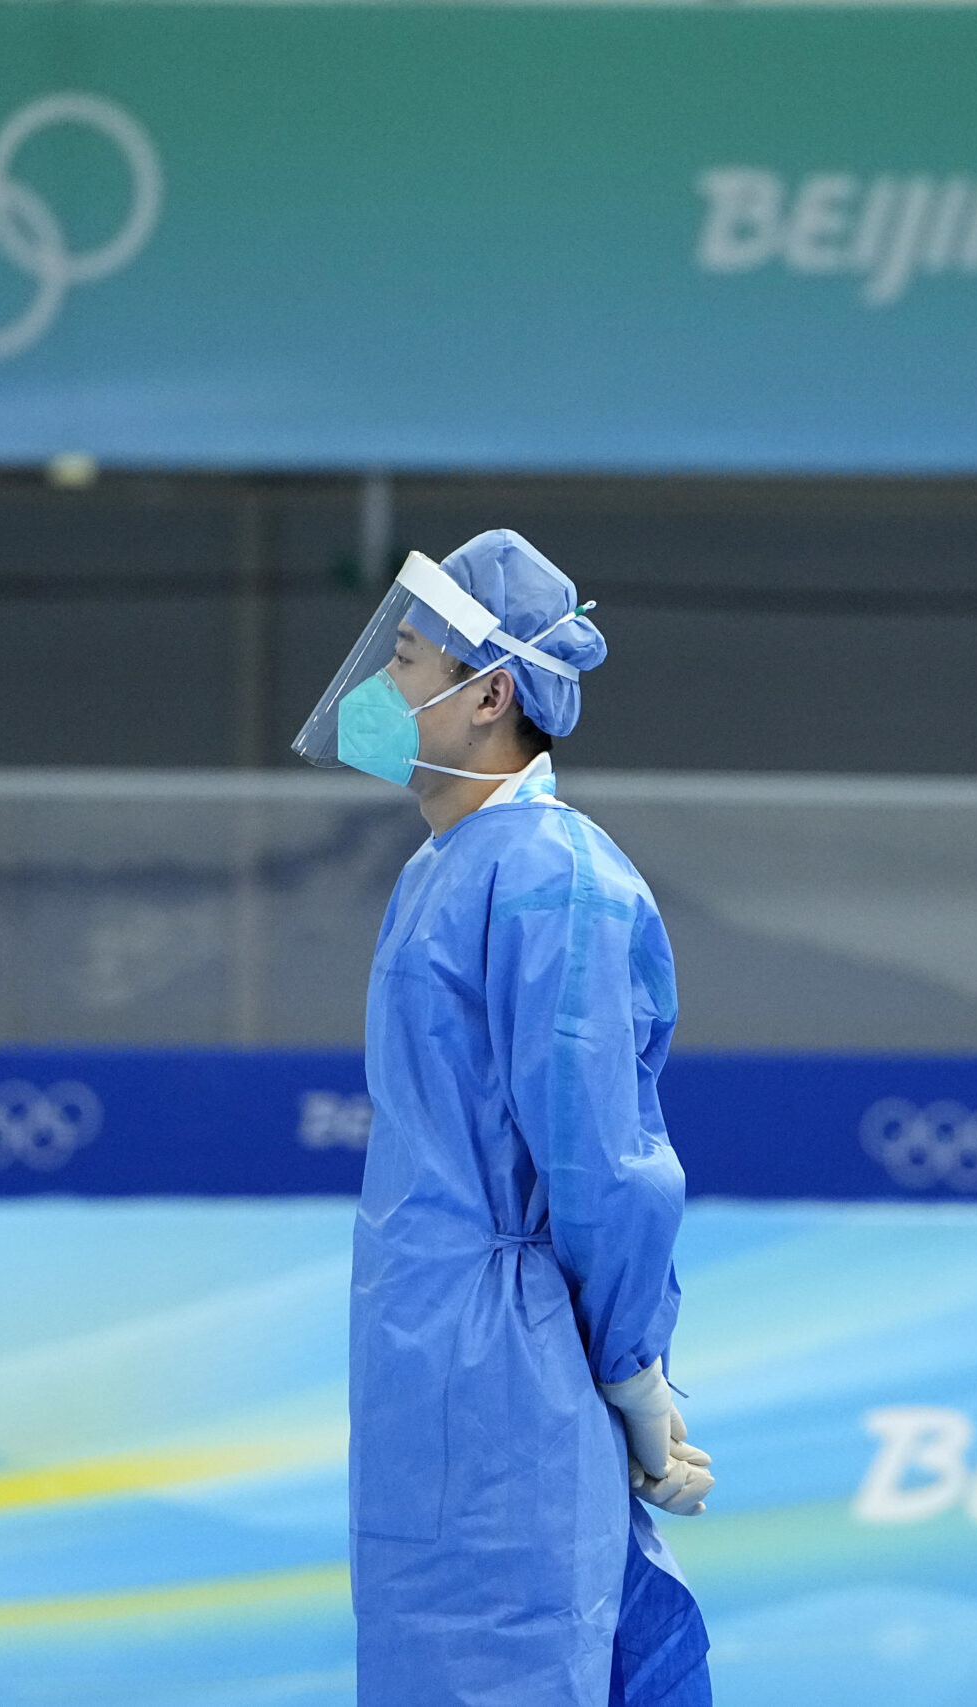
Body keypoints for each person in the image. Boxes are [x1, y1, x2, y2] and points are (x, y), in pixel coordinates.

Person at [292, 529, 716, 1707]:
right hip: (429, 1354)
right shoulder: (445, 866)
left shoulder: (551, 878)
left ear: (490, 695)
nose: (380, 688)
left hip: (505, 1369)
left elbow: (600, 1161)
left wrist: (633, 1374)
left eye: (406, 661)